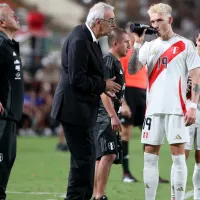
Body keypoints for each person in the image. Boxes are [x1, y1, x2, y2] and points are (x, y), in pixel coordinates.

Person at [128, 3, 200, 200]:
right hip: (153, 110)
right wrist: (137, 43)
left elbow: (195, 77)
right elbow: (133, 69)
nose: (155, 24)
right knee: (149, 157)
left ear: (170, 20)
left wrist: (192, 105)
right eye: (152, 21)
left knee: (178, 158)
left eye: (159, 20)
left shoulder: (186, 45)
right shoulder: (149, 47)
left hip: (177, 109)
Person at [50, 2, 121, 200]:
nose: (112, 25)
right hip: (73, 109)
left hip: (81, 109)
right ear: (99, 22)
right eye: (110, 21)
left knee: (84, 160)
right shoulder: (80, 39)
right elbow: (77, 78)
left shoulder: (90, 38)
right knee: (84, 160)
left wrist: (105, 88)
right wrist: (103, 86)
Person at [119, 21, 169, 183]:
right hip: (129, 94)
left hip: (143, 95)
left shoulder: (145, 52)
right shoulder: (125, 53)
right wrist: (123, 103)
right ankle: (126, 173)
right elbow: (120, 79)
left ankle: (151, 173)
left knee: (149, 135)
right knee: (125, 134)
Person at [93, 27, 130, 200]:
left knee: (104, 155)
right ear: (116, 43)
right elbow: (103, 91)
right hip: (103, 115)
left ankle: (96, 194)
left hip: (106, 115)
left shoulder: (115, 62)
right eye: (126, 43)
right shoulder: (108, 61)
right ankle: (99, 195)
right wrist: (112, 115)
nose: (128, 46)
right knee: (107, 154)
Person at [0, 3, 24, 200]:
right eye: (12, 15)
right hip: (2, 117)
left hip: (11, 116)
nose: (16, 17)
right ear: (2, 22)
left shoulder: (9, 44)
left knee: (7, 161)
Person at [185, 30, 200, 200]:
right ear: (196, 40)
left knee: (199, 157)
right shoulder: (188, 59)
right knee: (183, 154)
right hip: (188, 110)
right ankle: (177, 195)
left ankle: (197, 195)